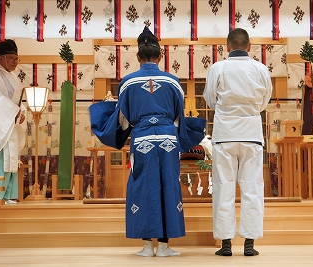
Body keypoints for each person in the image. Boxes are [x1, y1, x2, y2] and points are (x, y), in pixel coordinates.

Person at [89, 27, 205, 257]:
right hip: (168, 139)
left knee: (142, 186)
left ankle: (145, 246)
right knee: (168, 184)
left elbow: (122, 118)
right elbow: (178, 116)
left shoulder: (128, 83)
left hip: (142, 138)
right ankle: (163, 245)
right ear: (160, 56)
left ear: (138, 57)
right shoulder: (172, 82)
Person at [203, 28, 272, 256]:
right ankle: (250, 244)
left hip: (225, 134)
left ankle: (226, 244)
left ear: (227, 47)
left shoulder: (217, 68)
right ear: (250, 46)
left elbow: (211, 100)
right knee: (252, 187)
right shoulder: (261, 69)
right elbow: (264, 102)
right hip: (252, 133)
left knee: (224, 188)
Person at [0, 39, 26, 205]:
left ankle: (9, 195)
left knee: (12, 158)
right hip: (0, 123)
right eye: (12, 58)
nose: (15, 62)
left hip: (11, 122)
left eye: (16, 58)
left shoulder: (13, 78)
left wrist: (22, 111)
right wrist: (14, 111)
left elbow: (17, 100)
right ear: (1, 58)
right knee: (2, 158)